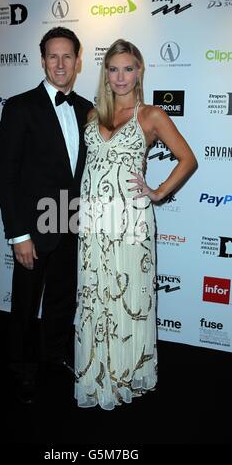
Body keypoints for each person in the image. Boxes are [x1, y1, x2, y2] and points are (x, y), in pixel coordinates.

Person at [74, 39, 197, 410]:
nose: (121, 76)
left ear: (140, 71)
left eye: (128, 68)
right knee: (96, 297)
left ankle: (125, 376)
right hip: (94, 225)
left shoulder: (151, 115)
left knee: (127, 298)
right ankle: (98, 376)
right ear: (105, 74)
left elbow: (187, 160)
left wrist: (158, 192)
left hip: (130, 225)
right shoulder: (94, 116)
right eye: (114, 69)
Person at [0, 27, 93, 404]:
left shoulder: (87, 109)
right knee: (25, 301)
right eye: (53, 56)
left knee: (62, 298)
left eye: (67, 56)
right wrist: (18, 234)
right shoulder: (20, 107)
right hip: (32, 229)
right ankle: (21, 367)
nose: (60, 63)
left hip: (71, 223)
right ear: (42, 61)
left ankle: (54, 354)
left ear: (78, 61)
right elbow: (7, 175)